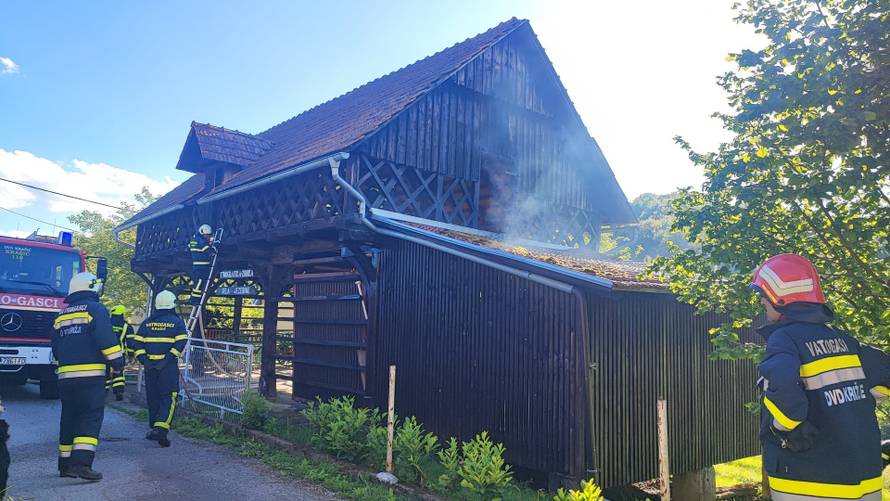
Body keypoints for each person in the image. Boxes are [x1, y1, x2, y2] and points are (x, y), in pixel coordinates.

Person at [750, 254, 890, 501]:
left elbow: (781, 388)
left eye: (764, 294)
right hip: (864, 479)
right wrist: (855, 405)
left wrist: (788, 427)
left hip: (810, 481)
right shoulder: (846, 342)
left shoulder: (785, 339)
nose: (761, 300)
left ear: (782, 299)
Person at [52, 272, 125, 481]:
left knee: (69, 418)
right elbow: (106, 340)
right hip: (91, 376)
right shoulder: (95, 309)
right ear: (92, 287)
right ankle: (81, 464)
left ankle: (64, 465)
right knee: (90, 417)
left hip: (65, 377)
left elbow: (55, 346)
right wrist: (117, 363)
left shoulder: (62, 314)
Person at [131, 290, 187, 447]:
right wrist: (166, 360)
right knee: (168, 397)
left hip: (150, 369)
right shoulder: (176, 322)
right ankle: (161, 429)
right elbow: (180, 343)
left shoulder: (147, 322)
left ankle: (156, 429)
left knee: (153, 398)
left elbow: (137, 343)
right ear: (172, 304)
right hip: (167, 368)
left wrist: (145, 361)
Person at [104, 305, 130, 401]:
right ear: (122, 313)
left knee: (105, 372)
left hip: (105, 352)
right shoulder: (126, 325)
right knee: (118, 373)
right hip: (119, 353)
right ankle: (118, 392)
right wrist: (131, 355)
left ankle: (104, 392)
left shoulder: (106, 323)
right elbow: (130, 341)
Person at [188, 224, 214, 305]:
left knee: (198, 283)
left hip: (197, 266)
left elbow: (190, 247)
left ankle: (195, 299)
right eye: (207, 235)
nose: (208, 237)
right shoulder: (201, 241)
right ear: (203, 233)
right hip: (202, 266)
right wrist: (214, 247)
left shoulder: (194, 240)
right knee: (199, 283)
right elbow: (208, 252)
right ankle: (194, 299)